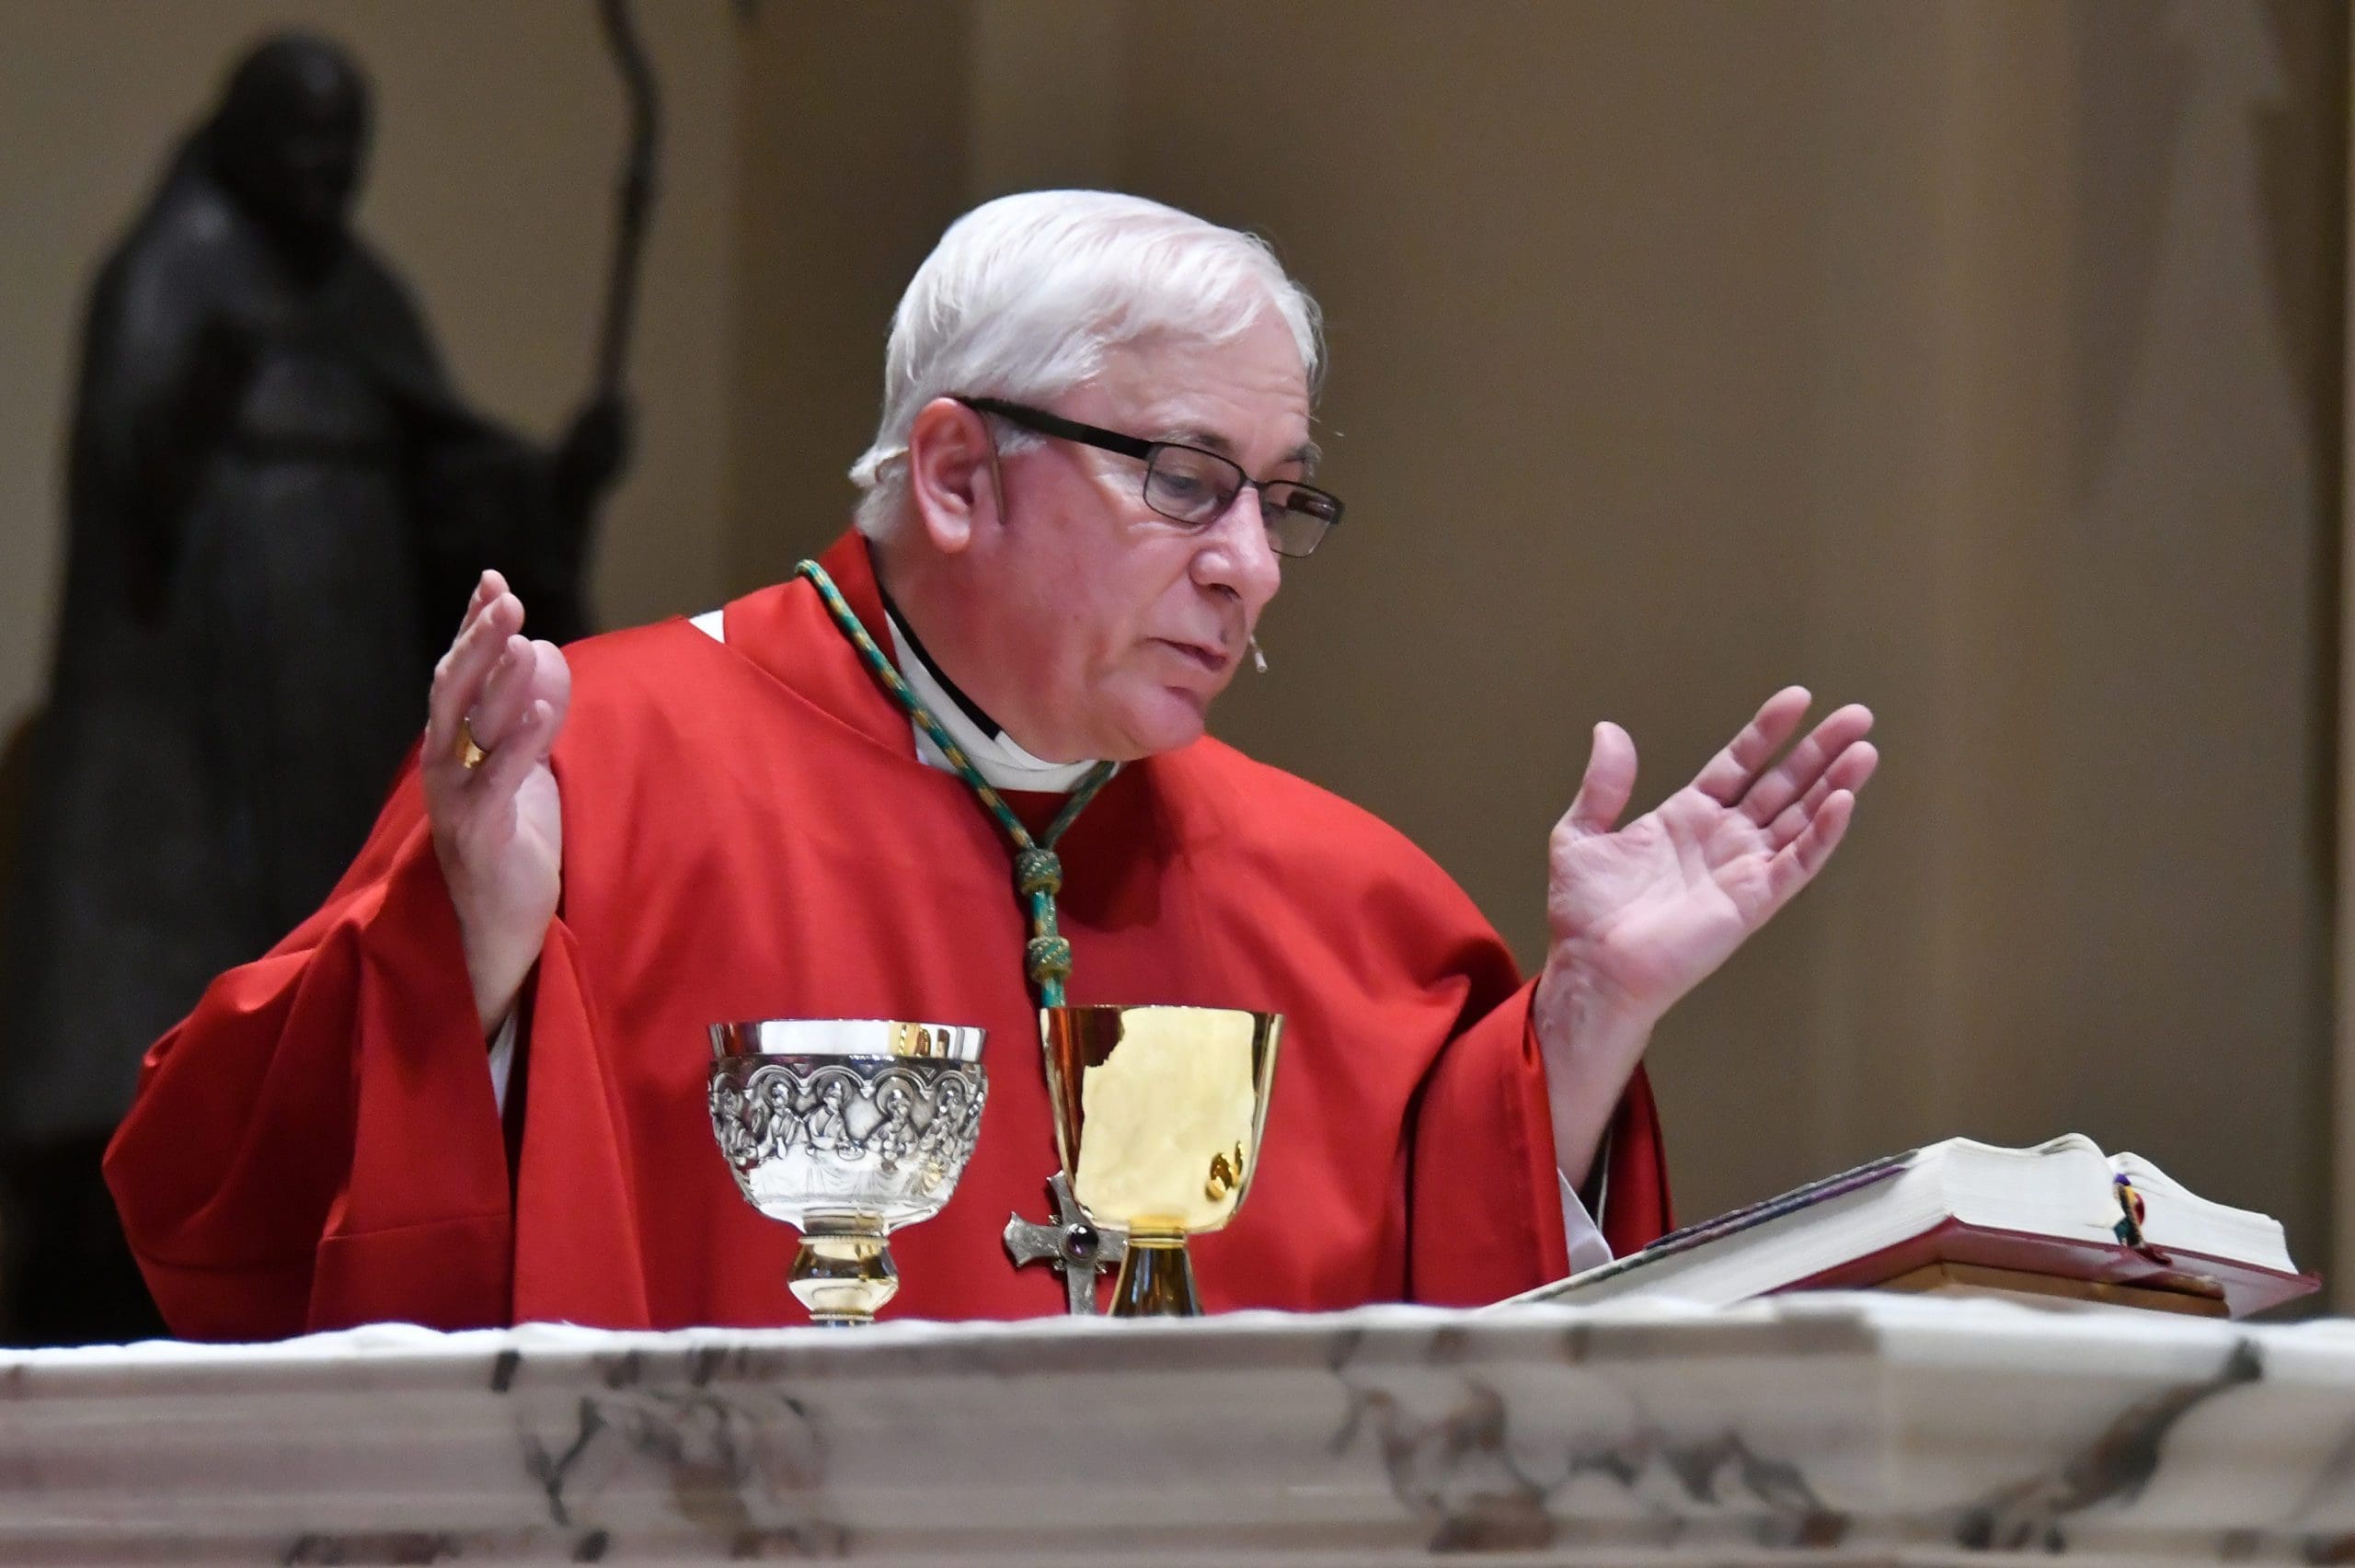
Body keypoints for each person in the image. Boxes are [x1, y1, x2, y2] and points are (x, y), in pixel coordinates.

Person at [104, 192, 1877, 1340]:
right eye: (1185, 479)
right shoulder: (595, 771)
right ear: (956, 474)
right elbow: (219, 1224)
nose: (1250, 566)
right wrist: (465, 956)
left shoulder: (1350, 904)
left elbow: (1470, 1363)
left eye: (1279, 500)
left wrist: (1584, 1028)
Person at [1, 35, 625, 1344]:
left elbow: (449, 483)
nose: (323, 176)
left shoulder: (358, 293)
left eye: (344, 153)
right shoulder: (169, 273)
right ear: (240, 136)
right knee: (187, 969)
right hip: (203, 707)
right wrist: (206, 398)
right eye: (300, 145)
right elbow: (133, 492)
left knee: (335, 921)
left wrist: (552, 486)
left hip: (341, 685)